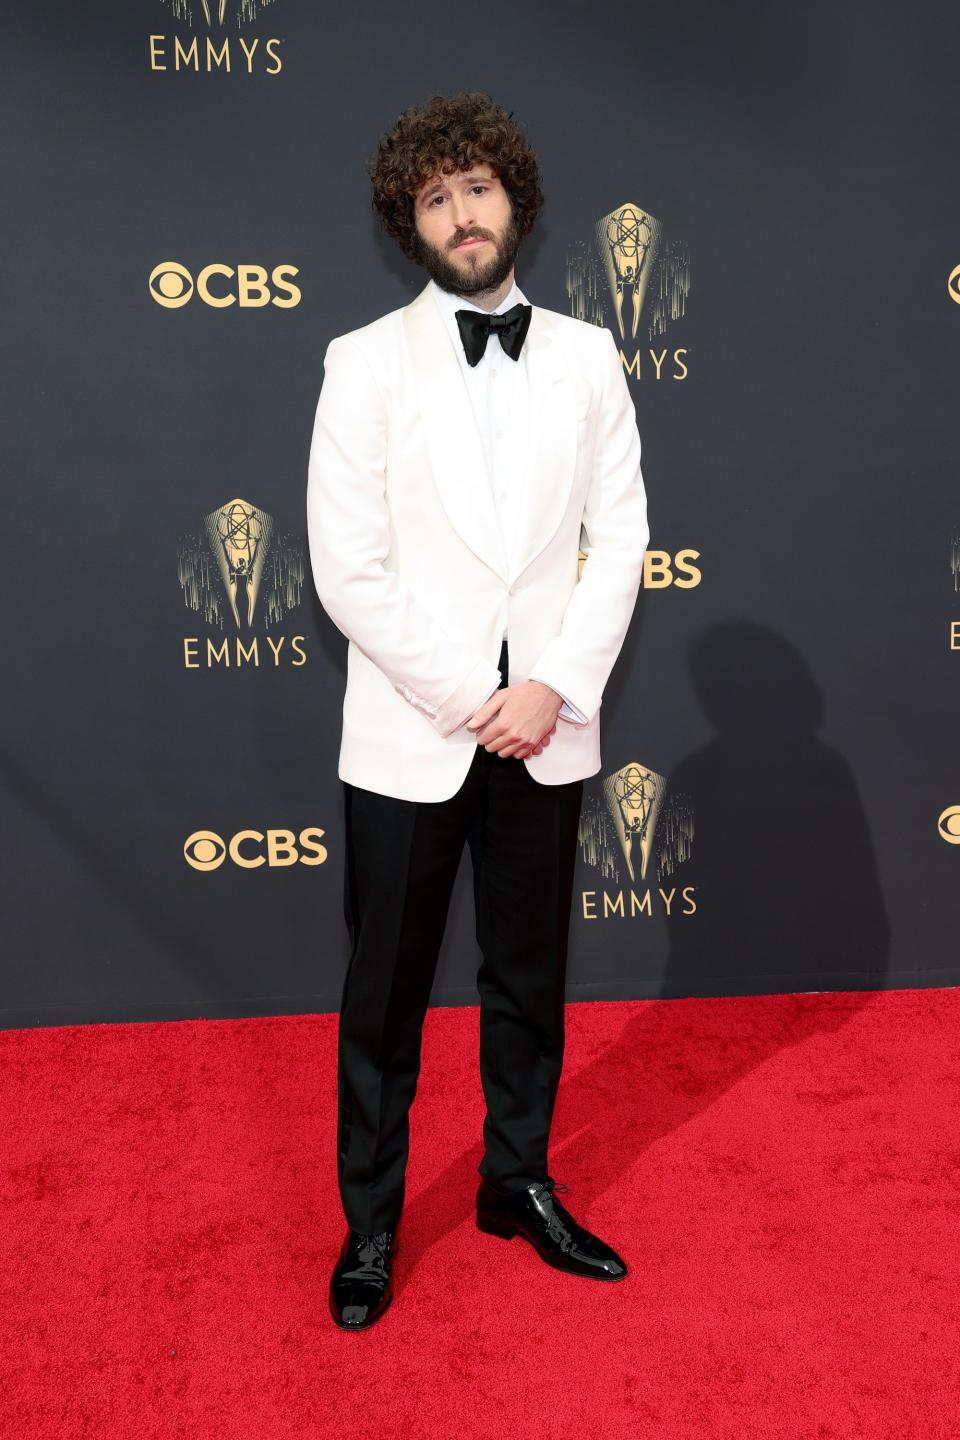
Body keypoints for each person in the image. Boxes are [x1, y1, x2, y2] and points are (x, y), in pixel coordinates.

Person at [306, 90, 649, 1330]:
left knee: (530, 978)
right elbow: (350, 569)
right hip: (415, 735)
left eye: (480, 189)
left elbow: (622, 543)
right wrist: (473, 700)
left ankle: (517, 1182)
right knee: (384, 997)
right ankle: (375, 1223)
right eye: (437, 196)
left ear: (517, 200)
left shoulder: (588, 356)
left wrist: (551, 687)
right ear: (412, 220)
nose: (463, 214)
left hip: (548, 729)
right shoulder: (362, 360)